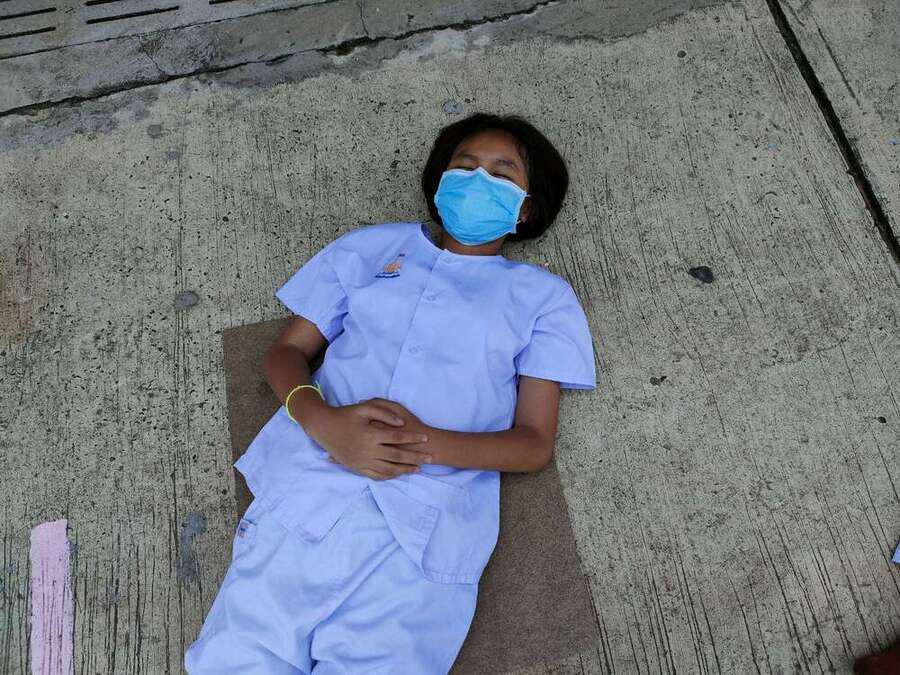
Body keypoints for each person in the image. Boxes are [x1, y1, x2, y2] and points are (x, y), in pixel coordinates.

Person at [185, 112, 597, 673]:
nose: (478, 180)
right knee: (238, 659)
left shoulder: (543, 298)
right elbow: (286, 352)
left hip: (424, 537)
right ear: (440, 181)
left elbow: (532, 444)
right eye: (464, 166)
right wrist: (324, 422)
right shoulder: (370, 248)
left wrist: (419, 443)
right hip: (309, 494)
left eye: (502, 174)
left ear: (526, 209)